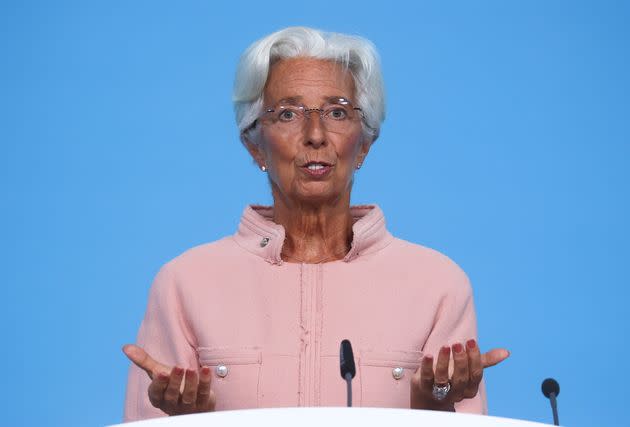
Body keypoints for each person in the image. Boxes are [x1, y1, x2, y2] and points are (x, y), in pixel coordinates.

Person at [122, 26, 509, 422]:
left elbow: (454, 412)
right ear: (255, 143)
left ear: (364, 144)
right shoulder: (185, 283)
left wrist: (435, 404)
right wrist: (194, 422)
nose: (315, 135)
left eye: (337, 112)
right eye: (288, 113)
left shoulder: (437, 285)